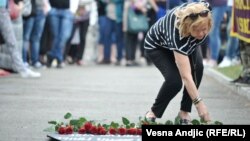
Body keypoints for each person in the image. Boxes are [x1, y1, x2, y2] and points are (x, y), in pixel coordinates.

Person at [144, 1, 212, 124]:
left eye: (204, 29)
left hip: (187, 39)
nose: (202, 34)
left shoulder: (204, 11)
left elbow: (204, 5)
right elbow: (186, 76)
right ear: (189, 27)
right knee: (174, 81)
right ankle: (153, 112)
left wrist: (197, 33)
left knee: (198, 68)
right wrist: (199, 104)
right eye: (198, 30)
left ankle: (184, 112)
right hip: (157, 46)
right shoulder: (178, 35)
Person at [0, 0, 41, 78]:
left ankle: (22, 69)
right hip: (3, 9)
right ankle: (22, 69)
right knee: (11, 41)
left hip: (3, 9)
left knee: (11, 41)